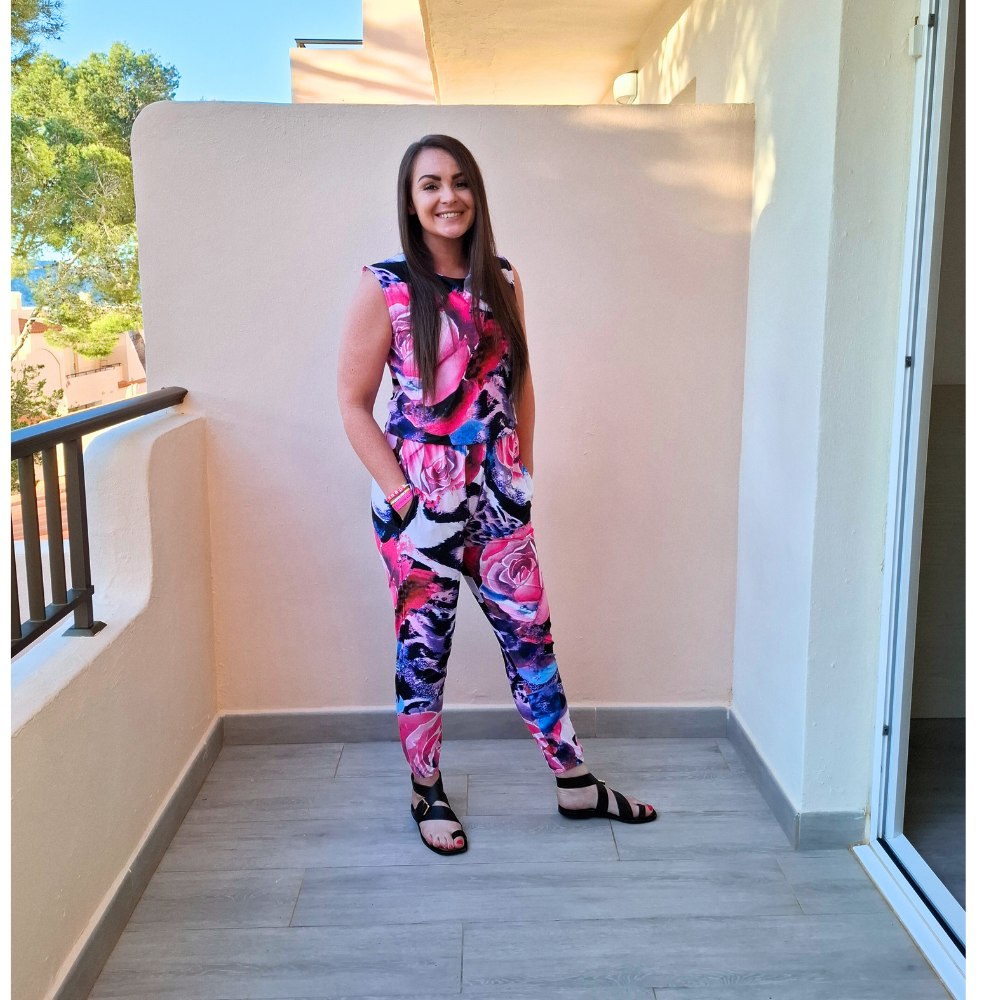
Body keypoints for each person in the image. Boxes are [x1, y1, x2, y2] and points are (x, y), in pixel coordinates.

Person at [338, 133, 657, 856]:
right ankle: (426, 791)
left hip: (498, 502)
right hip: (417, 508)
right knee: (425, 650)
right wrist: (406, 499)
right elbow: (352, 405)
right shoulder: (384, 285)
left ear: (475, 193)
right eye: (429, 185)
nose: (446, 197)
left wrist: (525, 475)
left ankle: (575, 783)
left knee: (531, 641)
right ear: (411, 201)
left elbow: (520, 386)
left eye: (459, 182)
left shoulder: (503, 279)